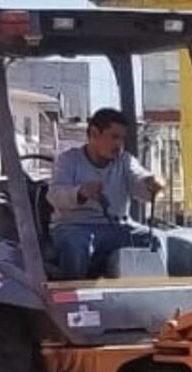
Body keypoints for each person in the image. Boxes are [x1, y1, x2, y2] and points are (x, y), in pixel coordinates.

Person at [46, 107, 161, 279]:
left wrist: (151, 184)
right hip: (75, 227)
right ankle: (73, 298)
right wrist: (80, 192)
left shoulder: (125, 161)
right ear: (94, 134)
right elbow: (54, 194)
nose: (119, 144)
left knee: (155, 239)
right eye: (114, 137)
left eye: (122, 139)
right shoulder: (68, 160)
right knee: (77, 245)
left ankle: (154, 294)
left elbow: (138, 179)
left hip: (118, 227)